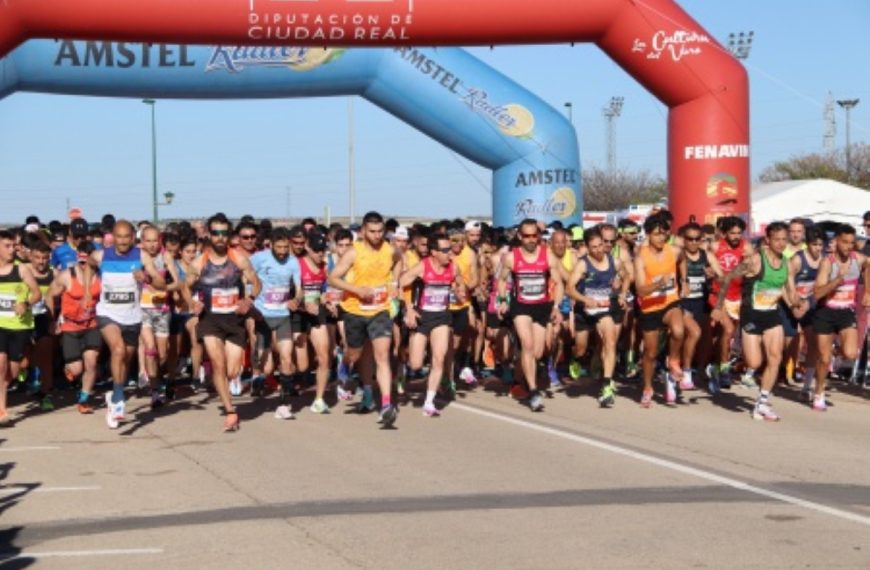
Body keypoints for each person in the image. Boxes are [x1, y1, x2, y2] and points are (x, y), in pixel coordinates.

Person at [715, 222, 796, 421]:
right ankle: (717, 368)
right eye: (777, 239)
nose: (781, 243)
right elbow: (727, 278)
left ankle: (763, 401)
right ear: (768, 240)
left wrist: (797, 303)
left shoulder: (787, 263)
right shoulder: (755, 261)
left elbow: (789, 290)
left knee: (775, 358)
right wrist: (718, 307)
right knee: (754, 362)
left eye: (784, 239)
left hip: (771, 314)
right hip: (752, 315)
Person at [328, 211, 403, 428]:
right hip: (354, 310)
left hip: (380, 310)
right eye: (372, 231)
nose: (377, 235)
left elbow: (400, 259)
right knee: (356, 354)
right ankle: (345, 366)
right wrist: (356, 290)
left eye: (380, 231)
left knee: (382, 355)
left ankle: (386, 405)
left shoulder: (390, 250)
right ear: (362, 231)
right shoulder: (353, 252)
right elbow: (332, 278)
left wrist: (394, 284)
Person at [187, 214, 260, 432]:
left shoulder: (238, 259)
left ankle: (219, 383)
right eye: (216, 233)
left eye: (224, 233)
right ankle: (230, 411)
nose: (220, 237)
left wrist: (249, 299)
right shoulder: (200, 262)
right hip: (210, 320)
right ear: (209, 234)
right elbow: (186, 286)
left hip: (234, 319)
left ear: (229, 235)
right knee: (218, 364)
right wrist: (193, 303)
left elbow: (256, 283)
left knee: (232, 371)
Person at [93, 220, 165, 430]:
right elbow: (88, 266)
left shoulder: (141, 256)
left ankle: (113, 393)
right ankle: (117, 398)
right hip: (107, 314)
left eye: (127, 237)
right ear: (112, 237)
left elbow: (161, 284)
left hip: (132, 316)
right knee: (117, 349)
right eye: (119, 236)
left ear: (133, 238)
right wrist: (89, 289)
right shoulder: (100, 256)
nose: (123, 241)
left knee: (124, 360)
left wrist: (147, 278)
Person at [496, 218, 564, 412]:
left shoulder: (548, 256)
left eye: (535, 235)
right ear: (519, 236)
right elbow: (501, 281)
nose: (531, 239)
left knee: (538, 352)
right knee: (527, 344)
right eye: (526, 236)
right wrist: (502, 301)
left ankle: (524, 372)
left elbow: (559, 283)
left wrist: (556, 307)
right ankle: (533, 392)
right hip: (521, 307)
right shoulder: (511, 257)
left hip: (542, 307)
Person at [400, 232, 464, 416]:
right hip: (422, 318)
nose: (449, 254)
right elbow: (401, 283)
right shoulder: (422, 267)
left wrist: (459, 292)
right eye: (445, 250)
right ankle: (403, 366)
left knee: (439, 358)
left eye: (450, 249)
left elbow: (460, 284)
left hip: (442, 317)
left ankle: (429, 402)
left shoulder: (453, 267)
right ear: (433, 252)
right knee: (416, 365)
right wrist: (409, 309)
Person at [567, 227, 628, 407]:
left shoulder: (614, 261)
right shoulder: (583, 264)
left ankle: (607, 384)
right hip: (584, 309)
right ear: (587, 247)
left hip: (604, 309)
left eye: (601, 245)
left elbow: (627, 276)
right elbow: (570, 288)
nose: (599, 250)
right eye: (593, 247)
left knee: (610, 341)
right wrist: (586, 299)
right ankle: (576, 358)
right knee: (581, 347)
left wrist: (621, 291)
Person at [812, 223, 870, 412]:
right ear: (836, 242)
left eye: (851, 243)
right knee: (823, 359)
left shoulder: (858, 259)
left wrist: (868, 290)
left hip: (846, 311)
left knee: (851, 354)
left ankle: (836, 350)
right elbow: (818, 293)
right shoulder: (827, 263)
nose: (848, 246)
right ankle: (819, 391)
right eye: (844, 242)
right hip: (826, 313)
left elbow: (868, 265)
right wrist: (837, 280)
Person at [634, 214, 684, 407]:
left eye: (664, 234)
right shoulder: (641, 257)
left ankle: (673, 361)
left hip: (670, 302)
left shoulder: (673, 251)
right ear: (648, 235)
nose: (661, 238)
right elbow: (639, 289)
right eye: (656, 235)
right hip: (650, 307)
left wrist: (684, 280)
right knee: (650, 354)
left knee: (679, 331)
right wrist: (657, 285)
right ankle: (647, 387)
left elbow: (683, 260)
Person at [249, 227, 300, 416]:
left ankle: (283, 403)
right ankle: (257, 374)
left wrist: (297, 299)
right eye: (278, 247)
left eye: (286, 247)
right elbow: (245, 273)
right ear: (271, 245)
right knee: (265, 364)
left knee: (287, 359)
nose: (282, 252)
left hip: (283, 316)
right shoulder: (259, 258)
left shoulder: (293, 262)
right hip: (262, 315)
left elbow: (299, 287)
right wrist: (249, 297)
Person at [47, 241, 102, 414]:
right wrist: (52, 320)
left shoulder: (100, 276)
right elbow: (49, 295)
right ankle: (68, 369)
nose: (85, 264)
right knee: (77, 369)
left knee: (91, 363)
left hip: (91, 324)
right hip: (71, 326)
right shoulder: (66, 276)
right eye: (82, 260)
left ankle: (84, 399)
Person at [0, 230, 43, 426]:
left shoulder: (22, 270)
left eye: (13, 246)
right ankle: (2, 409)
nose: (12, 250)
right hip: (1, 325)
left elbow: (37, 294)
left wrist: (25, 304)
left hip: (20, 326)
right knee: (0, 364)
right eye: (7, 246)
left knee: (13, 372)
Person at [707, 216, 754, 389]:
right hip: (717, 295)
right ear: (724, 233)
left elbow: (751, 266)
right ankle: (724, 370)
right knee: (727, 330)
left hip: (737, 296)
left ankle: (717, 364)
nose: (736, 236)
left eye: (739, 233)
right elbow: (703, 262)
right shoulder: (715, 246)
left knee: (727, 335)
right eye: (732, 233)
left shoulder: (746, 247)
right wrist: (708, 271)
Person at [138, 226, 183, 408]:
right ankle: (155, 391)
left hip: (162, 310)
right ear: (142, 242)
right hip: (142, 309)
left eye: (155, 240)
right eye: (147, 241)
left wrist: (167, 290)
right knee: (150, 348)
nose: (151, 245)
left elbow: (177, 282)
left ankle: (156, 377)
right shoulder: (138, 256)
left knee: (162, 355)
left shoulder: (166, 257)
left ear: (160, 240)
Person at [677, 222, 722, 393]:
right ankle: (686, 371)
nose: (694, 242)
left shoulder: (707, 255)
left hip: (701, 303)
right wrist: (682, 282)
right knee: (694, 332)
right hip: (683, 303)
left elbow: (723, 277)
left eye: (697, 239)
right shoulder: (679, 256)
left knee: (705, 338)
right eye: (690, 239)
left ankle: (700, 370)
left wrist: (714, 276)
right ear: (684, 239)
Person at [296, 231, 334, 414]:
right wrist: (303, 305)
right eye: (317, 250)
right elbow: (289, 297)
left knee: (324, 355)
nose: (320, 254)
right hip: (297, 315)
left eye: (323, 250)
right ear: (307, 248)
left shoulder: (324, 268)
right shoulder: (297, 266)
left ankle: (319, 399)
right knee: (302, 365)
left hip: (317, 314)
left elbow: (324, 290)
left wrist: (327, 302)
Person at [787, 226, 823, 401]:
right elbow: (787, 284)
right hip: (791, 305)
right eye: (815, 244)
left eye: (820, 245)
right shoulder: (797, 260)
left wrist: (808, 304)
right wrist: (794, 304)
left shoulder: (824, 261)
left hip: (811, 307)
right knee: (784, 343)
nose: (818, 248)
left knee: (813, 344)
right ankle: (773, 372)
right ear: (807, 245)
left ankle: (807, 386)